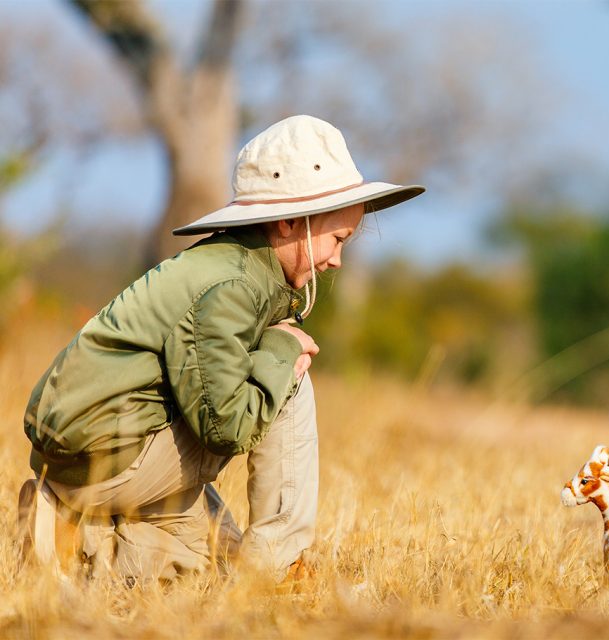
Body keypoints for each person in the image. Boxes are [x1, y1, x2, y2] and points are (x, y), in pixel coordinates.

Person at [17, 115, 425, 582]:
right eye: (337, 239)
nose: (336, 260)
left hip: (90, 457)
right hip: (106, 457)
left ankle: (69, 534)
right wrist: (282, 352)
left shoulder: (233, 267)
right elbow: (224, 426)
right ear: (291, 220)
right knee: (290, 376)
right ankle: (281, 562)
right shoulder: (231, 287)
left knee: (213, 565)